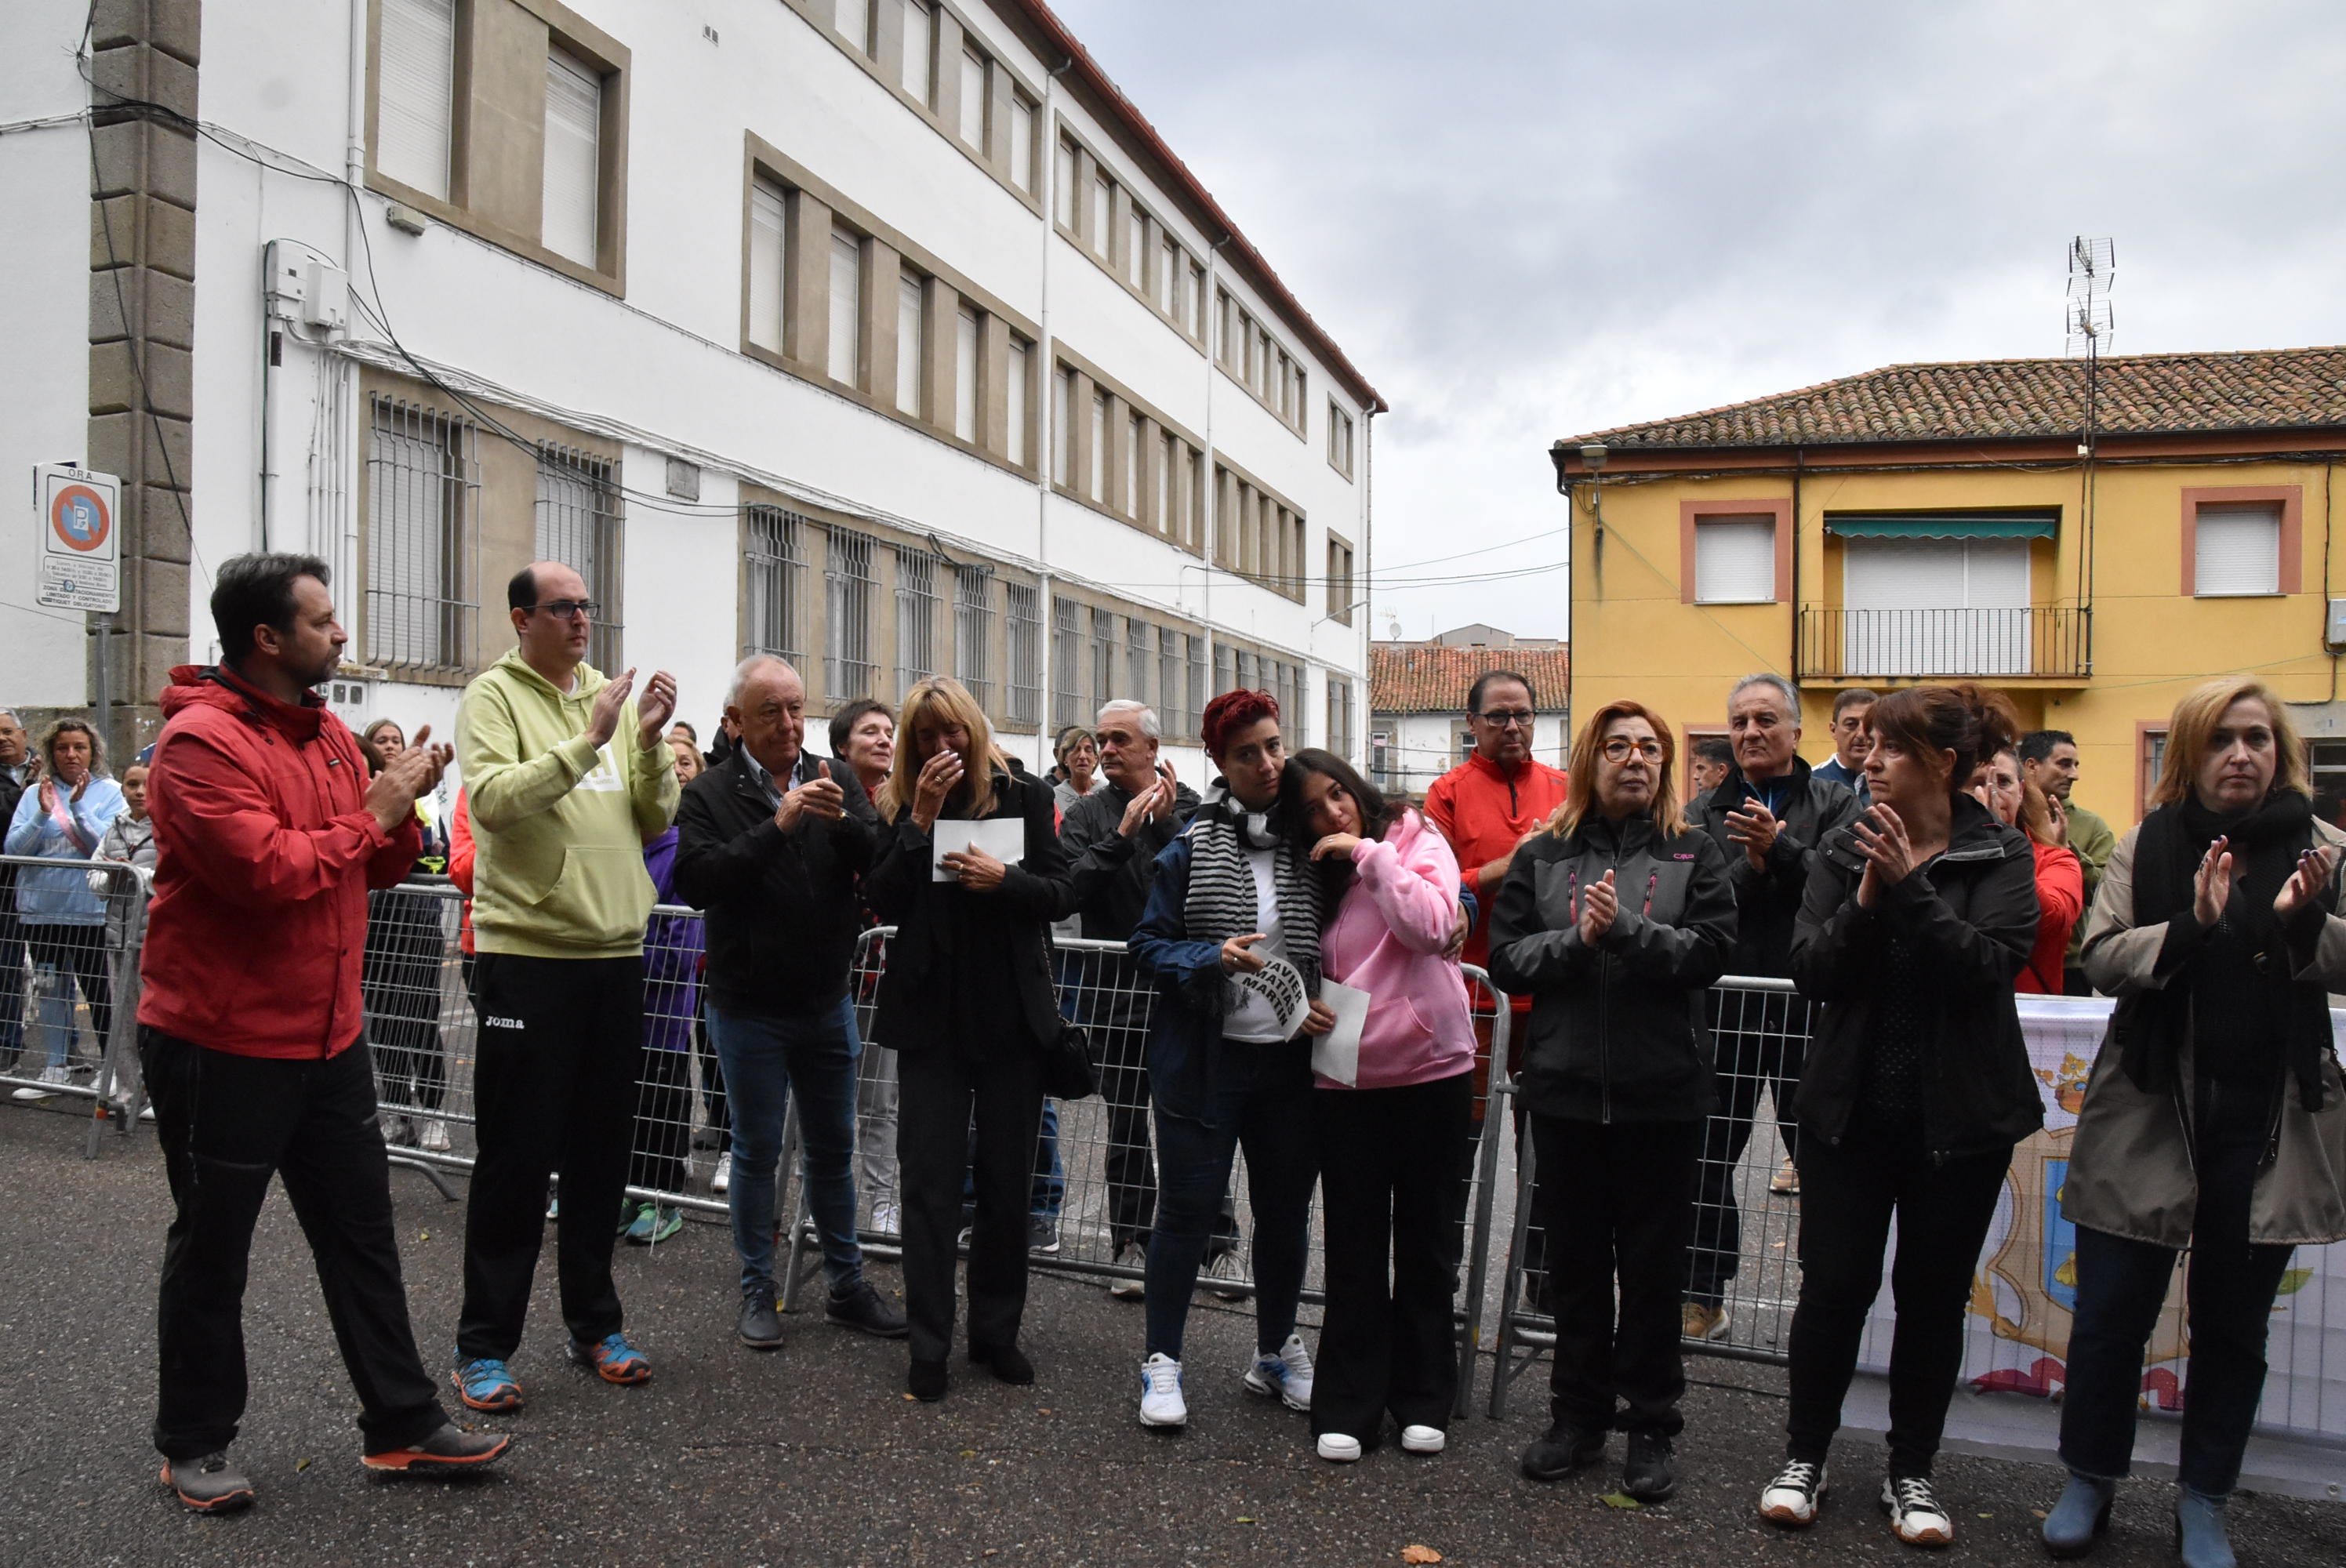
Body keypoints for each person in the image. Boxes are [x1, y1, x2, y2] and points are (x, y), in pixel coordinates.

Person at [137, 552, 508, 1512]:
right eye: (324, 620)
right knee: (215, 1247)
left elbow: (373, 866)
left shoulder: (332, 738)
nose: (341, 633)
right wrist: (375, 811)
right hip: (221, 1043)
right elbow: (263, 874)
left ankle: (401, 1422)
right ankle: (193, 1442)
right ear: (267, 637)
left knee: (361, 1236)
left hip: (328, 1038)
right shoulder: (197, 746)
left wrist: (403, 797)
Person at [2042, 679, 2346, 1568]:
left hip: (2266, 1125)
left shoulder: (2324, 847)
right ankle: (2088, 1476)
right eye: (2220, 738)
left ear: (2279, 749)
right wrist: (2190, 925)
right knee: (2107, 1317)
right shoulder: (2147, 843)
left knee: (2232, 1328)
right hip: (2146, 1116)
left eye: (2256, 736)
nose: (2240, 753)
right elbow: (2097, 956)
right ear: (2189, 752)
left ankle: (2203, 1498)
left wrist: (2302, 923)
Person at [1757, 684, 2042, 1548]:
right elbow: (1812, 967)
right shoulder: (1845, 845)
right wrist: (1868, 893)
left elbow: (1984, 966)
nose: (1867, 760)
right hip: (1850, 1114)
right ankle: (1803, 1457)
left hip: (1958, 1123)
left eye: (1888, 747)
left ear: (1942, 762)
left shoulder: (2000, 851)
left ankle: (1911, 1471)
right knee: (1833, 1287)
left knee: (1930, 1299)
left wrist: (1910, 886)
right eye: (1866, 745)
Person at [1494, 702, 1737, 1503]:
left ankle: (1651, 1427)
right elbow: (1506, 960)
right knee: (1575, 1271)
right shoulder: (1543, 852)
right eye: (1619, 745)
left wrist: (1630, 930)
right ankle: (1577, 1418)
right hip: (1563, 1094)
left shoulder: (1695, 848)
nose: (1636, 759)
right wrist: (1578, 941)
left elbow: (1710, 951)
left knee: (1653, 1273)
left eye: (1650, 748)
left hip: (1659, 1096)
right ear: (1590, 758)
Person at [451, 561, 679, 1411]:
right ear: (523, 618)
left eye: (588, 604)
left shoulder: (609, 698)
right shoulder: (492, 698)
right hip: (530, 955)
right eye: (565, 606)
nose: (583, 618)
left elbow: (654, 818)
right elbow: (496, 802)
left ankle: (595, 1323)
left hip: (614, 955)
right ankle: (483, 1346)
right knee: (515, 1157)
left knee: (599, 1156)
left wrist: (647, 739)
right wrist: (590, 736)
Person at [676, 657, 905, 1351]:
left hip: (827, 999)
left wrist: (845, 825)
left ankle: (845, 1283)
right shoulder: (710, 792)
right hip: (748, 1006)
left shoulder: (829, 777)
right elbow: (696, 882)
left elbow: (882, 867)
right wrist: (777, 826)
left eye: (796, 709)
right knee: (755, 1150)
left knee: (833, 1149)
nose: (788, 724)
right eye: (771, 711)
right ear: (736, 720)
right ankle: (757, 1288)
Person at [1128, 688, 1335, 1431]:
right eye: (1248, 752)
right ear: (1218, 762)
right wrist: (1210, 956)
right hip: (1204, 1064)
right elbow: (1147, 944)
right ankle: (1162, 1363)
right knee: (1185, 1215)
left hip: (1288, 1066)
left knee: (1284, 1218)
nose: (1268, 763)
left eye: (1275, 746)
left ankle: (1276, 1350)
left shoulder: (1312, 845)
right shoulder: (1189, 845)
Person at [864, 677, 1071, 1400]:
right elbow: (881, 898)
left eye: (952, 732)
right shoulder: (898, 804)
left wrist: (1005, 879)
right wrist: (918, 819)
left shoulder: (1027, 797)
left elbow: (1060, 892)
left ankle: (996, 1334)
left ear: (975, 732)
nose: (940, 746)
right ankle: (929, 1344)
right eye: (926, 736)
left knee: (1009, 1185)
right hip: (929, 1021)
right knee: (929, 1188)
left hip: (1010, 1019)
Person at [1285, 747, 1476, 1464]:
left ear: (1357, 788)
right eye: (1312, 808)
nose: (1330, 813)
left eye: (1337, 794)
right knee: (1355, 1245)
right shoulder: (1307, 868)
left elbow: (1430, 926)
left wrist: (1369, 852)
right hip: (1345, 1076)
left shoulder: (1415, 838)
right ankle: (1348, 1404)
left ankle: (1424, 1399)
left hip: (1433, 1069)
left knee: (1427, 1242)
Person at [1686, 672, 1860, 1338]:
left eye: (1765, 720)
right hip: (1722, 1013)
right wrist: (1756, 865)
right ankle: (1701, 1292)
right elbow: (1700, 900)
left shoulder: (1837, 802)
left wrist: (1779, 849)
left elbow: (1839, 883)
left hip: (1809, 1013)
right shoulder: (1703, 811)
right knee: (1704, 1157)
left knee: (1822, 1161)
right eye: (1739, 723)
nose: (1752, 733)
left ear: (1795, 730)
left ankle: (1827, 1299)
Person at [1423, 670, 1569, 1301]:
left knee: (1546, 1153)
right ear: (1472, 724)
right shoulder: (1446, 792)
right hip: (1473, 1000)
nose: (1514, 727)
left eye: (1525, 715)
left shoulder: (1565, 789)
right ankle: (1439, 1275)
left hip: (1550, 1002)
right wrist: (1510, 866)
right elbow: (1435, 887)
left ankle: (1542, 1278)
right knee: (1457, 1147)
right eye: (1500, 717)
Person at [1058, 700, 1204, 1297]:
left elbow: (1206, 877)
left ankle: (1215, 1244)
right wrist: (1121, 837)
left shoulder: (1191, 804)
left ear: (1152, 746)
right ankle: (1130, 1245)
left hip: (1183, 994)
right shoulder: (1087, 814)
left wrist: (1165, 824)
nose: (1108, 749)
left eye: (1120, 739)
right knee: (1124, 1127)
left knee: (1194, 1122)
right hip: (1114, 996)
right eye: (1101, 738)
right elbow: (1069, 888)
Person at [616, 735, 706, 1248]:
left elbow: (681, 941)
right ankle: (631, 1189)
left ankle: (663, 1196)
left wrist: (626, 958)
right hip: (622, 1009)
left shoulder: (678, 854)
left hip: (664, 1013)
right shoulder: (624, 848)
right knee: (625, 1102)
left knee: (662, 1102)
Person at [7, 718, 126, 1100]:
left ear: (94, 752)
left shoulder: (111, 792)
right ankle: (54, 1067)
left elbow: (109, 849)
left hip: (91, 912)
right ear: (51, 752)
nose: (71, 754)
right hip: (42, 912)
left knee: (100, 992)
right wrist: (43, 814)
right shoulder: (33, 794)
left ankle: (113, 1070)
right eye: (62, 748)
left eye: (80, 747)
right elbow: (13, 850)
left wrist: (78, 810)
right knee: (51, 991)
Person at [357, 720, 455, 1153]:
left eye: (396, 740)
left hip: (418, 922)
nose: (392, 746)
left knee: (421, 1019)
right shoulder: (364, 793)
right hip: (374, 926)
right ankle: (397, 1110)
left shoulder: (428, 799)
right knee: (382, 1022)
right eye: (382, 741)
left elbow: (441, 862)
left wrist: (428, 857)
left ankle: (434, 1114)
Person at [830, 698, 900, 1235]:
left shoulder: (904, 803)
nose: (884, 739)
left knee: (879, 1101)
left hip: (882, 977)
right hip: (827, 975)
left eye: (888, 731)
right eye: (869, 732)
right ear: (841, 747)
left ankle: (881, 1203)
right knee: (819, 1102)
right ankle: (819, 1206)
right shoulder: (823, 800)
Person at [1972, 746, 2083, 995]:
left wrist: (1999, 840)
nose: (1992, 792)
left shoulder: (2057, 859)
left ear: (2021, 791)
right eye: (1978, 782)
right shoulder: (1938, 856)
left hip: (2027, 1018)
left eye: (2003, 781)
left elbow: (2052, 920)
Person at [2021, 730, 2117, 996]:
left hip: (2071, 965)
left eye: (2075, 766)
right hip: (2015, 960)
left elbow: (2105, 890)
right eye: (2064, 764)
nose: (2074, 775)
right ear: (2031, 766)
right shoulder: (2007, 815)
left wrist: (2067, 852)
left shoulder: (2091, 825)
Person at [0, 709, 30, 1074]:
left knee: (56, 974)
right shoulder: (26, 782)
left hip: (45, 887)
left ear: (23, 734)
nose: (3, 739)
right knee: (6, 969)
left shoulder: (47, 762)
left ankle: (66, 1052)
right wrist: (25, 794)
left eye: (8, 731)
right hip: (5, 887)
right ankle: (8, 1046)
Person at [1813, 689, 1875, 804]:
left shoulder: (1893, 783)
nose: (1861, 734)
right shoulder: (1810, 782)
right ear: (1833, 730)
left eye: (1869, 725)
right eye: (1851, 725)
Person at [1052, 724, 1101, 817]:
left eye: (1088, 750)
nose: (1082, 756)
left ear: (1095, 758)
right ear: (1065, 759)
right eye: (1076, 750)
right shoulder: (1054, 797)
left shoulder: (1107, 793)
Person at [1687, 736, 1733, 800]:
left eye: (1701, 768)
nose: (1695, 776)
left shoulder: (1697, 807)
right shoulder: (1746, 802)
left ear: (1721, 770)